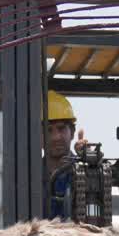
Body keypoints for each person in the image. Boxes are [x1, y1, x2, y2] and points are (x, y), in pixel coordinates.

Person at [45, 90, 80, 220]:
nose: (56, 137)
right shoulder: (26, 178)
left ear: (72, 132)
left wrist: (92, 162)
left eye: (61, 128)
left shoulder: (85, 170)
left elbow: (118, 186)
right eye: (48, 130)